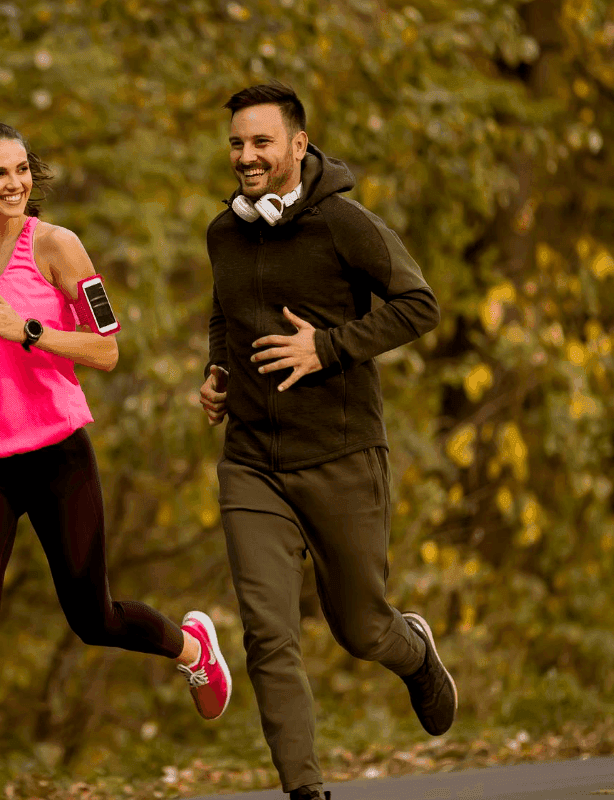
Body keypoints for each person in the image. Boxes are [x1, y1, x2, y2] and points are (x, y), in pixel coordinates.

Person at [0, 122, 231, 800]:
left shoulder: (57, 247)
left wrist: (28, 330)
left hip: (58, 454)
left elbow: (107, 350)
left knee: (93, 618)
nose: (15, 183)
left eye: (22, 168)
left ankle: (191, 648)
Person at [198, 82, 456, 800]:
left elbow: (419, 305)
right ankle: (305, 791)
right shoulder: (222, 231)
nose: (245, 156)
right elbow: (225, 310)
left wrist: (330, 348)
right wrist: (216, 371)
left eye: (260, 143)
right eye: (236, 144)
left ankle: (412, 653)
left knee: (359, 628)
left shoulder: (344, 224)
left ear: (296, 146)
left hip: (340, 456)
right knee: (267, 635)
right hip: (251, 462)